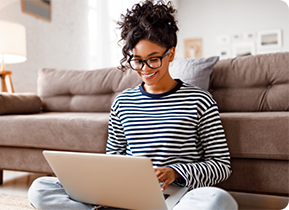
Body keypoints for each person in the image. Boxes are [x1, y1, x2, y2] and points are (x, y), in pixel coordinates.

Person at [28, 0, 238, 209]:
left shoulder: (200, 100)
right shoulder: (122, 102)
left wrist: (175, 172)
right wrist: (105, 187)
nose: (145, 68)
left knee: (218, 201)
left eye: (153, 59)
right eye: (137, 60)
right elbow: (113, 159)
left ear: (171, 54)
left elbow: (220, 165)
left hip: (178, 197)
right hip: (128, 195)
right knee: (40, 188)